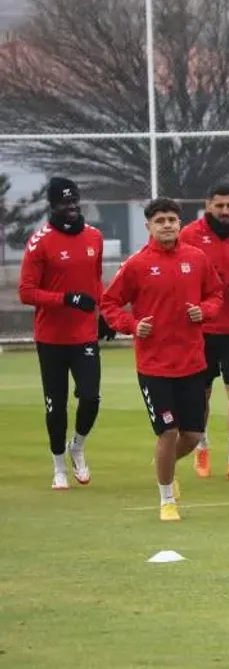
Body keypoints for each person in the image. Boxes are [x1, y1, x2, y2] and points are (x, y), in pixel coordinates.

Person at [101, 197, 224, 521]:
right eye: (160, 221)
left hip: (192, 363)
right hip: (154, 366)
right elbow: (109, 303)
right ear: (149, 226)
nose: (167, 225)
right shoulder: (137, 265)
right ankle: (167, 499)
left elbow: (216, 294)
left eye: (172, 219)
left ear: (180, 223)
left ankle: (163, 463)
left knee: (192, 436)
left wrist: (205, 311)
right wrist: (132, 325)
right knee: (167, 433)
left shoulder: (196, 258)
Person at [18, 177, 106, 490]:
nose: (71, 207)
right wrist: (66, 299)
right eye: (64, 202)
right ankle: (58, 466)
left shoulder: (94, 236)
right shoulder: (39, 242)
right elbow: (26, 292)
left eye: (74, 201)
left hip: (84, 334)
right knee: (56, 405)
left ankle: (77, 447)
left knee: (91, 397)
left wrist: (103, 313)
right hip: (51, 338)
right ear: (52, 205)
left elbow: (96, 280)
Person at [179, 183, 229, 480]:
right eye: (220, 205)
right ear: (208, 205)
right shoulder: (189, 235)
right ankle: (201, 446)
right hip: (200, 327)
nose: (225, 211)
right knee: (202, 392)